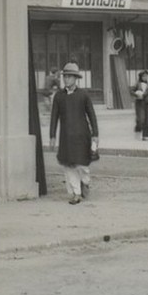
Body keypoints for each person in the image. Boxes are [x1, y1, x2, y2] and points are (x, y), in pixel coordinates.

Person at [49, 61, 100, 204]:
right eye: (65, 76)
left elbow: (92, 115)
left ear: (76, 78)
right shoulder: (59, 96)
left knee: (83, 166)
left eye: (70, 77)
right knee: (69, 165)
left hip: (82, 136)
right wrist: (52, 136)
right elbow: (54, 117)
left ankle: (85, 182)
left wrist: (95, 134)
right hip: (66, 137)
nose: (67, 79)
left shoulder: (83, 95)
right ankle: (76, 193)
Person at [132, 71, 148, 139]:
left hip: (146, 103)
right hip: (139, 103)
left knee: (146, 119)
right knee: (140, 118)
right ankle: (138, 131)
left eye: (146, 76)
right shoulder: (137, 84)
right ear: (141, 77)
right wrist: (137, 94)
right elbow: (131, 91)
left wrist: (143, 95)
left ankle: (144, 135)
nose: (145, 77)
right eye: (144, 76)